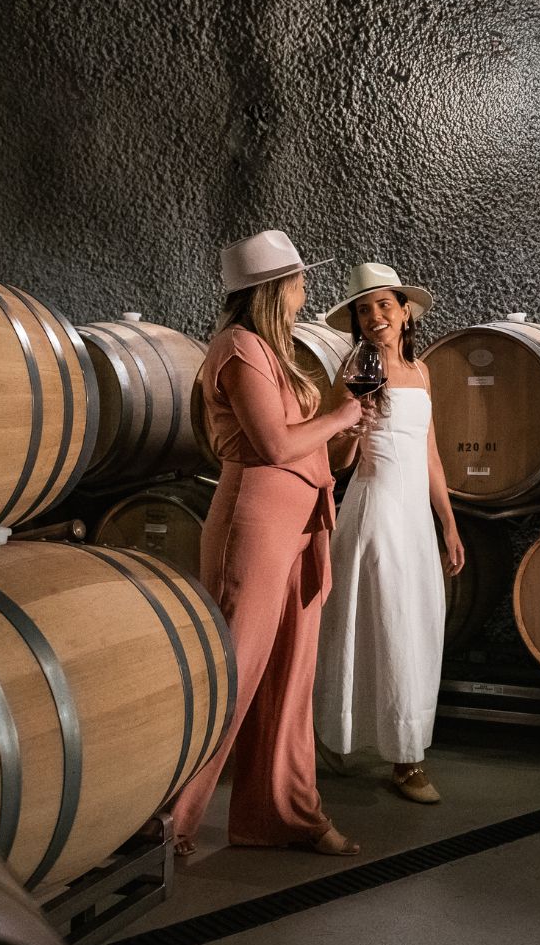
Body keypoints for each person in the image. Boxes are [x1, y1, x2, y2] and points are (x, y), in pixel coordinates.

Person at [165, 230, 364, 857]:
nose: (308, 289)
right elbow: (275, 446)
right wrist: (340, 415)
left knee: (289, 673)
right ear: (275, 288)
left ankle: (278, 814)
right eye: (300, 279)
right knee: (235, 671)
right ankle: (167, 823)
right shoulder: (237, 346)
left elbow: (308, 444)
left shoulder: (273, 352)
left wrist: (350, 422)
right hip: (255, 523)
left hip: (300, 523)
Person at [313, 262, 464, 803]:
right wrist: (353, 428)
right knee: (389, 625)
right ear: (355, 320)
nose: (374, 316)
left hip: (415, 520)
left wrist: (447, 523)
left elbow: (429, 454)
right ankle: (406, 761)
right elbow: (336, 457)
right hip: (375, 508)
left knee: (417, 624)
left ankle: (390, 739)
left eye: (383, 305)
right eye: (363, 308)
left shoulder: (421, 372)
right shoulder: (356, 367)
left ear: (404, 312)